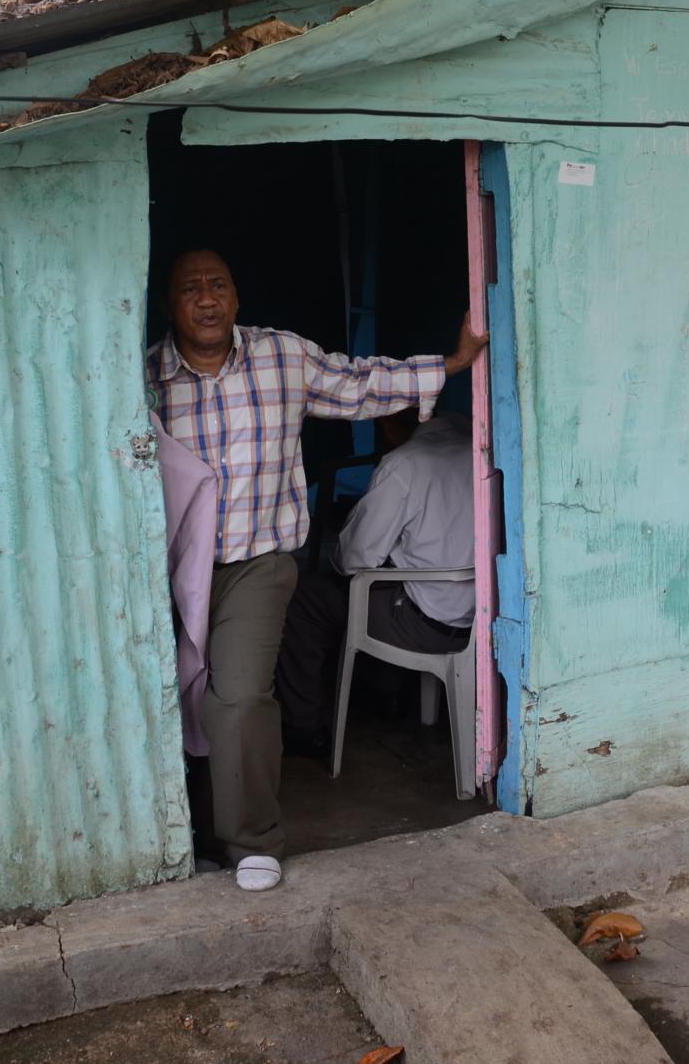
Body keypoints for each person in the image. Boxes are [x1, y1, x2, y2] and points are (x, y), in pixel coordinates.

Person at [147, 248, 485, 891]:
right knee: (169, 695)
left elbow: (360, 382)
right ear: (170, 306)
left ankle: (248, 839)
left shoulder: (282, 357)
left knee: (238, 696)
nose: (207, 297)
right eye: (190, 288)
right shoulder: (147, 381)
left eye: (219, 283)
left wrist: (451, 363)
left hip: (258, 561)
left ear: (238, 298)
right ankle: (178, 829)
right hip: (171, 568)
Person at [276, 408, 474, 759]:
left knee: (308, 597)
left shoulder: (405, 464)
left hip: (424, 624)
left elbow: (353, 558)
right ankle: (390, 693)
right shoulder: (478, 446)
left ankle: (303, 727)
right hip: (477, 621)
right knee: (387, 582)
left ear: (386, 423)